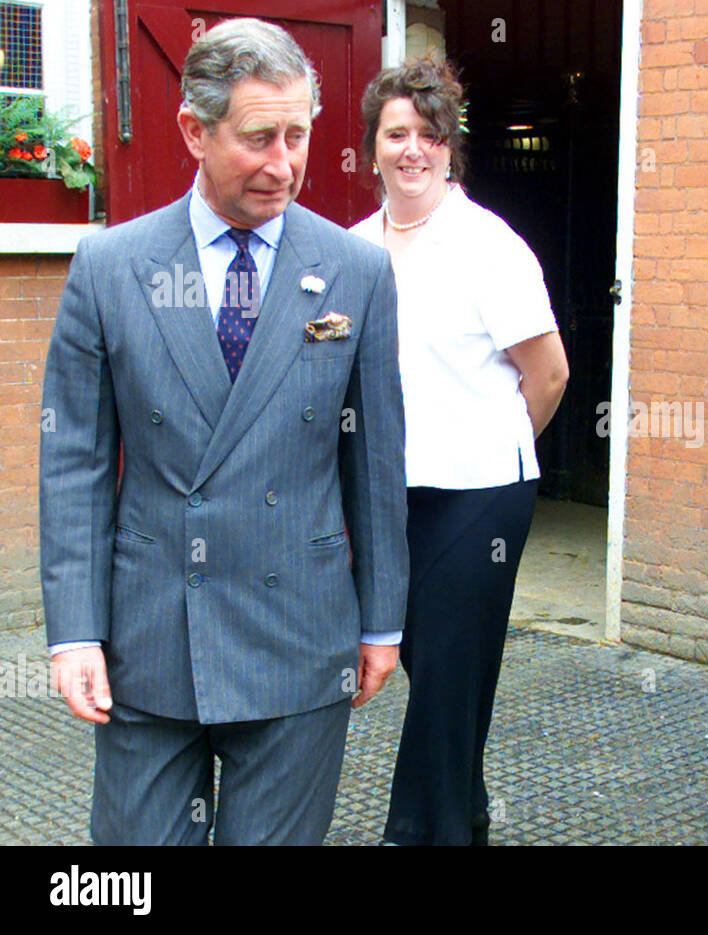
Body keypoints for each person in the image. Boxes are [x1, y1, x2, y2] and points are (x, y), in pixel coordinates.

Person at [39, 18, 408, 845]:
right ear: (192, 131)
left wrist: (382, 620)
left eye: (298, 135)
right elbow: (75, 461)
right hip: (150, 637)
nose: (283, 165)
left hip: (299, 635)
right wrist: (72, 631)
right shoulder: (109, 268)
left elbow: (375, 460)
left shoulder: (357, 269)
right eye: (257, 138)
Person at [350, 55, 569, 846]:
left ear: (452, 149)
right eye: (397, 132)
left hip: (480, 499)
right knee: (437, 670)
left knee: (445, 675)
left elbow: (547, 375)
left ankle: (416, 833)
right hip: (386, 498)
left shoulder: (488, 246)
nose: (414, 148)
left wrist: (488, 448)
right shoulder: (348, 250)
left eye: (431, 134)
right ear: (373, 145)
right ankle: (467, 815)